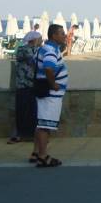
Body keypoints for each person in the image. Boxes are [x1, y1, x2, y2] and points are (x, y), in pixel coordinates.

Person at [33, 24, 67, 167]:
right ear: (54, 35)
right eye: (62, 33)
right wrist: (53, 84)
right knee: (45, 125)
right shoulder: (51, 51)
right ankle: (42, 156)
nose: (64, 35)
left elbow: (34, 63)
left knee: (41, 123)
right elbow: (48, 68)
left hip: (44, 91)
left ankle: (36, 152)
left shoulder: (43, 48)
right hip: (50, 94)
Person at [8, 30, 42, 154]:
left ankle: (33, 135)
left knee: (33, 111)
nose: (42, 41)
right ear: (34, 39)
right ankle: (18, 134)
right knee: (22, 110)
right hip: (24, 84)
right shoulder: (24, 49)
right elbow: (33, 59)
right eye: (40, 38)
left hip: (33, 85)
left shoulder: (37, 50)